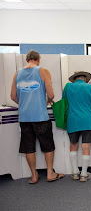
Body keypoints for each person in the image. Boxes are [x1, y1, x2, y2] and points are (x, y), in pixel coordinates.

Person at [10, 50, 64, 184]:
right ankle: (50, 173)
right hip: (40, 115)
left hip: (24, 118)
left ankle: (34, 175)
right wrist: (44, 102)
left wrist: (23, 104)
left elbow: (12, 96)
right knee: (48, 146)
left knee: (28, 147)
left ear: (27, 59)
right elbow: (51, 94)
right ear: (38, 59)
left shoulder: (17, 73)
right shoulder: (43, 71)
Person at [64, 71, 91, 182]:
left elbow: (64, 102)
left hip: (73, 119)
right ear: (85, 78)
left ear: (74, 79)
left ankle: (75, 172)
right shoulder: (90, 87)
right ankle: (84, 174)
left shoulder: (68, 86)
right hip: (87, 120)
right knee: (86, 146)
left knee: (73, 145)